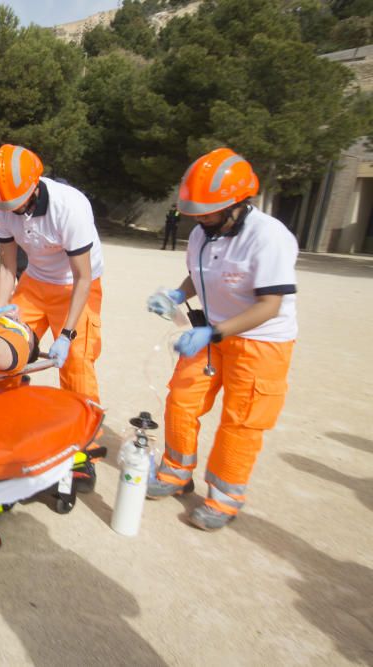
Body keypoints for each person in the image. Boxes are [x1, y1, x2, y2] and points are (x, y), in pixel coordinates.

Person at [145, 148, 297, 531]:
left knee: (240, 421)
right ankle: (177, 471)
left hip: (261, 342)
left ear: (238, 205)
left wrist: (211, 332)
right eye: (196, 213)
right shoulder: (201, 233)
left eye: (209, 213)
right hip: (212, 334)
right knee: (181, 399)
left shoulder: (269, 237)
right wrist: (178, 295)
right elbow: (201, 274)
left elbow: (270, 305)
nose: (201, 220)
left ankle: (225, 497)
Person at [0, 144, 104, 404]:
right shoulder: (3, 206)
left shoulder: (69, 207)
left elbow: (83, 277)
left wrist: (66, 334)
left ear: (34, 187)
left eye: (17, 204)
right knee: (6, 348)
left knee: (77, 364)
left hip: (75, 286)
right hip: (34, 282)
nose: (11, 211)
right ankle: (3, 412)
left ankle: (84, 436)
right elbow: (6, 266)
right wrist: (1, 314)